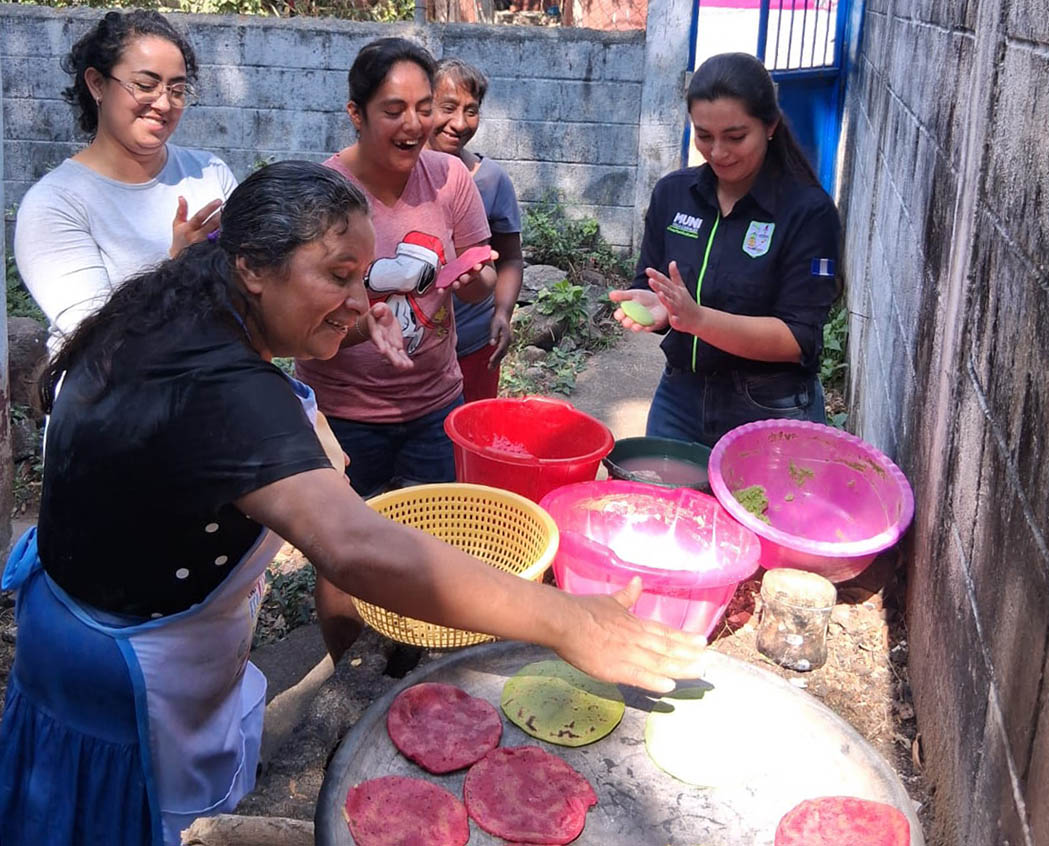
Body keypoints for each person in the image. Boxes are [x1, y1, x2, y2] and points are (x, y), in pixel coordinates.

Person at [0, 161, 706, 846]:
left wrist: (340, 316)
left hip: (124, 629)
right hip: (122, 676)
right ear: (251, 266)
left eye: (362, 279)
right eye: (337, 276)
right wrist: (567, 619)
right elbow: (356, 546)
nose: (361, 302)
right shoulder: (222, 388)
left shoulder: (181, 311)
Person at [295, 37, 498, 662]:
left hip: (434, 406)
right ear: (356, 114)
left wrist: (475, 280)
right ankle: (350, 677)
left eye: (424, 107)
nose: (415, 124)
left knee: (430, 550)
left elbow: (482, 276)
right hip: (344, 412)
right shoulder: (323, 193)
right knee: (344, 558)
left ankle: (415, 667)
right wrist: (362, 325)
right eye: (393, 110)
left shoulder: (450, 177)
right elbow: (302, 318)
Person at [610, 52, 842, 446]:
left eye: (735, 137)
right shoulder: (673, 194)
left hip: (772, 406)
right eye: (704, 135)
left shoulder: (808, 212)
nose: (717, 152)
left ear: (770, 125)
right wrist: (660, 308)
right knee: (660, 490)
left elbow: (797, 339)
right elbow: (651, 282)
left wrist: (698, 319)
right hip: (679, 399)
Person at [14, 10, 236, 352]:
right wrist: (181, 268)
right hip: (118, 384)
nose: (164, 103)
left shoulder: (209, 172)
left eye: (177, 90)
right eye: (145, 86)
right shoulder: (54, 204)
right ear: (97, 84)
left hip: (217, 376)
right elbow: (99, 338)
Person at [427, 57, 525, 401]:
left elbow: (510, 258)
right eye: (447, 108)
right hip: (408, 350)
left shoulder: (491, 179)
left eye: (471, 110)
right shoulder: (397, 176)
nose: (459, 123)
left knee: (470, 429)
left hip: (472, 345)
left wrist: (503, 312)